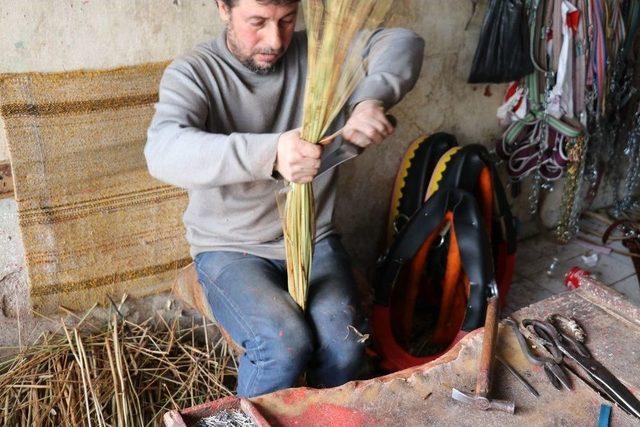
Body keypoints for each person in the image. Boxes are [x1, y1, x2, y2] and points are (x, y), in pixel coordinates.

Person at [145, 0, 424, 397]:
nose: (274, 40)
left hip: (315, 239)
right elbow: (163, 151)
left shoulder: (319, 55)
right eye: (256, 22)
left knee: (346, 346)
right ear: (223, 8)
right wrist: (273, 153)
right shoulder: (195, 72)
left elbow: (402, 41)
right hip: (231, 247)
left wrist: (370, 99)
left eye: (287, 21)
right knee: (283, 345)